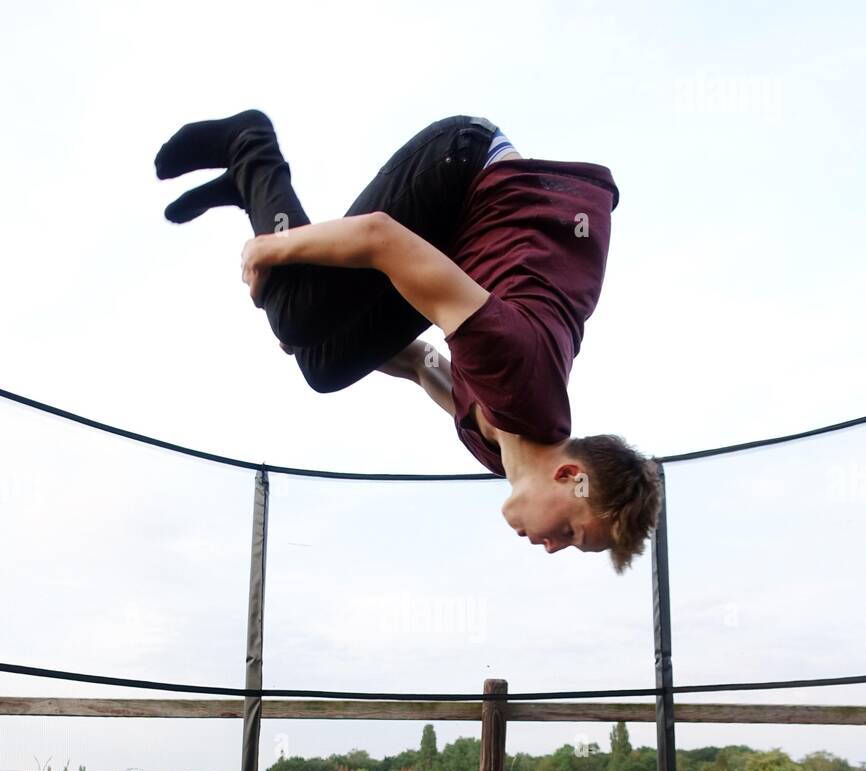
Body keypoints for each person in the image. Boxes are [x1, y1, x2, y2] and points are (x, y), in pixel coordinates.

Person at [154, 111, 660, 570]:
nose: (553, 546)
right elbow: (379, 236)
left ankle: (251, 191)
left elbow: (420, 362)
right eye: (572, 532)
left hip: (453, 243)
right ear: (571, 476)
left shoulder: (498, 450)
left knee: (321, 365)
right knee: (300, 314)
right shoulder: (518, 369)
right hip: (465, 166)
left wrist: (327, 337)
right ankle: (251, 145)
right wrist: (275, 247)